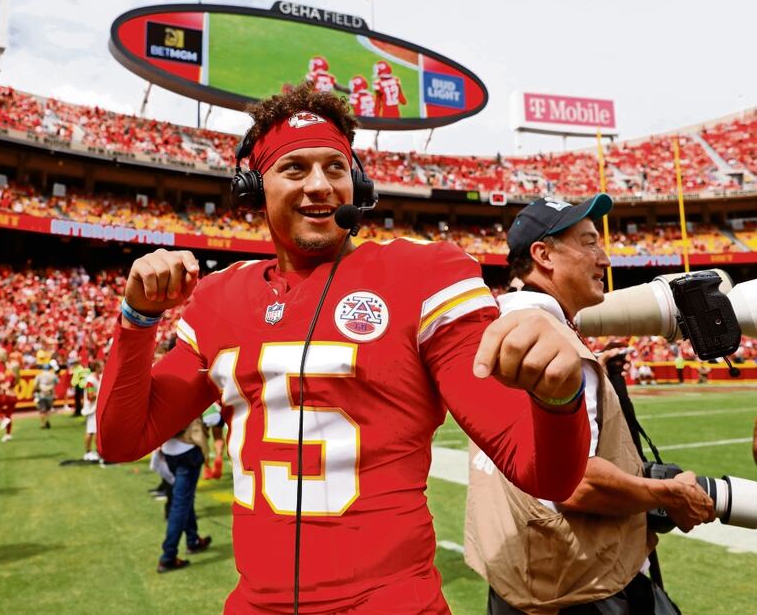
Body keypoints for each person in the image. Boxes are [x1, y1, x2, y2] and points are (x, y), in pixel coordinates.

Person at [97, 85, 591, 613]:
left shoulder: (422, 274)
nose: (320, 185)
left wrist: (558, 398)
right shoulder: (222, 298)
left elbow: (546, 474)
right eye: (294, 168)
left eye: (335, 167)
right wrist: (138, 320)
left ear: (356, 181)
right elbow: (121, 440)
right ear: (253, 187)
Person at [465, 194, 716, 613]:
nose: (605, 259)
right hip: (580, 589)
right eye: (588, 243)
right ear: (544, 255)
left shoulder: (500, 323)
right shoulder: (554, 345)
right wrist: (668, 494)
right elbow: (575, 482)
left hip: (515, 579)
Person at [157, 416, 212, 572]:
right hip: (187, 449)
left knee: (185, 498)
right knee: (180, 504)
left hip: (169, 450)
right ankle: (168, 556)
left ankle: (193, 539)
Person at [82, 361, 102, 461]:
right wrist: (101, 394)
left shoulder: (98, 378)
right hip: (91, 409)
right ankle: (89, 452)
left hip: (96, 408)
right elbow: (90, 396)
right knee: (91, 431)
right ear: (97, 367)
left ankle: (94, 451)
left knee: (94, 431)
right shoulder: (90, 380)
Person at [33, 361, 59, 429]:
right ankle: (47, 420)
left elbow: (35, 385)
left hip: (42, 394)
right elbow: (57, 382)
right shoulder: (53, 375)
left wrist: (35, 391)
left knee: (42, 410)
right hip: (50, 394)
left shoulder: (39, 375)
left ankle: (43, 423)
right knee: (48, 409)